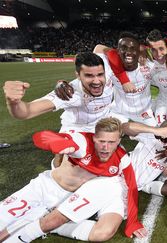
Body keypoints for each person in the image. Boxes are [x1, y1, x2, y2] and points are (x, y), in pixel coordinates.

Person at [0, 118, 145, 242]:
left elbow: (131, 187)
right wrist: (57, 142)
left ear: (119, 140)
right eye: (101, 141)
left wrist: (132, 222)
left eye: (111, 142)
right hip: (44, 187)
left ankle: (33, 225)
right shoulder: (82, 141)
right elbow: (44, 137)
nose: (105, 147)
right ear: (94, 137)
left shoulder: (121, 159)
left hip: (65, 199)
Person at [3, 52, 112, 133]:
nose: (97, 81)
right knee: (70, 159)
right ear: (78, 75)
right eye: (89, 76)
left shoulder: (109, 72)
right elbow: (26, 112)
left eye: (100, 75)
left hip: (102, 127)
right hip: (78, 130)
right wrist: (13, 102)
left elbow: (99, 47)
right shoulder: (69, 93)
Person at [93, 32, 157, 126]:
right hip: (119, 111)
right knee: (105, 134)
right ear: (117, 51)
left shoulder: (148, 66)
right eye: (123, 48)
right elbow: (98, 48)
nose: (128, 52)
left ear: (138, 51)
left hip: (144, 111)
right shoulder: (111, 66)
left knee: (157, 138)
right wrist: (124, 79)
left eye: (133, 49)